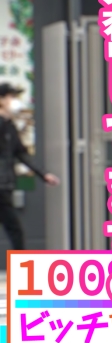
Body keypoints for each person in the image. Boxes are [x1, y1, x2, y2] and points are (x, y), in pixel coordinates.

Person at [0, 83, 60, 251]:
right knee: (15, 230)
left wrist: (43, 174)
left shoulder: (10, 126)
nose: (15, 102)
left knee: (14, 229)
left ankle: (20, 263)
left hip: (5, 186)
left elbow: (21, 153)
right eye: (11, 97)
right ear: (2, 100)